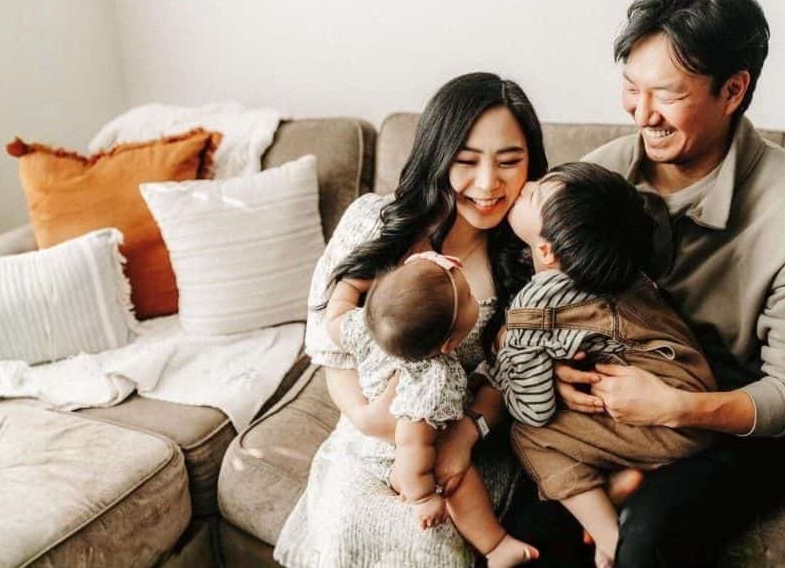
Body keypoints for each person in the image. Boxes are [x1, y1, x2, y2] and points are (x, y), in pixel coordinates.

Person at [503, 0, 785, 566]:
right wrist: (550, 367)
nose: (641, 112)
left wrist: (676, 408)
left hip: (741, 423)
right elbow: (537, 298)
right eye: (632, 87)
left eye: (668, 95)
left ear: (733, 90)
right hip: (613, 405)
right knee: (525, 532)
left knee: (645, 540)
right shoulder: (595, 179)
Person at [274, 71, 548, 568]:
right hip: (364, 439)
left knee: (428, 542)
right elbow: (331, 343)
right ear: (437, 157)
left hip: (462, 443)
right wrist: (363, 415)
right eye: (466, 162)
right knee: (346, 528)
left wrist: (465, 437)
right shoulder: (375, 222)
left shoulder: (531, 255)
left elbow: (514, 376)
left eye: (510, 161)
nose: (488, 184)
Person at [491, 162, 721, 568]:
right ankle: (620, 475)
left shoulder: (539, 302)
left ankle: (607, 535)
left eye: (534, 195)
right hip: (694, 395)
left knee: (529, 432)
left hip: (670, 422)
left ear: (546, 251)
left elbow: (532, 402)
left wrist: (507, 365)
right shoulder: (621, 268)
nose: (523, 185)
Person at [329, 254, 538, 567]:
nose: (473, 297)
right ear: (448, 345)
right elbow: (413, 443)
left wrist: (348, 284)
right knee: (457, 478)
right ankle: (494, 545)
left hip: (381, 437)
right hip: (403, 454)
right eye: (468, 297)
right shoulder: (431, 379)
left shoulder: (365, 326)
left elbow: (334, 319)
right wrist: (423, 495)